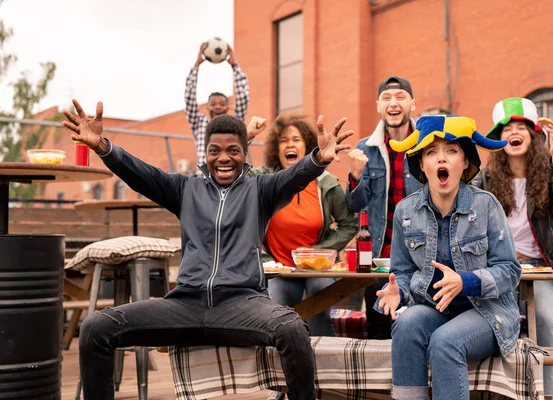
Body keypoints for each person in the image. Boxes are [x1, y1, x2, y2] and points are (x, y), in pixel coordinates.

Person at [61, 99, 353, 400]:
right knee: (96, 327)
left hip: (242, 305)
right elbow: (141, 174)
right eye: (215, 151)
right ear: (206, 153)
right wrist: (103, 147)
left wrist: (318, 158)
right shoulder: (185, 189)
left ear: (244, 153)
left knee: (292, 329)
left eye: (232, 151)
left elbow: (294, 176)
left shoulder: (261, 190)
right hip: (185, 304)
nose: (223, 158)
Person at [376, 115, 521, 400]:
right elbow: (402, 272)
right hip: (433, 309)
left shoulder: (486, 205)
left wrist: (466, 282)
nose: (441, 159)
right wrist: (399, 292)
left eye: (451, 151)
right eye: (432, 152)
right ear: (421, 164)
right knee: (404, 326)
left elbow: (509, 271)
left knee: (445, 342)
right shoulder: (406, 211)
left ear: (465, 163)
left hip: (487, 313)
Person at [474, 97, 553, 399]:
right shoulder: (485, 179)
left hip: (541, 267)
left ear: (533, 137)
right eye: (507, 129)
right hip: (499, 268)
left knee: (546, 325)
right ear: (498, 140)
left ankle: (549, 395)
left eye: (522, 128)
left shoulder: (546, 171)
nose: (514, 133)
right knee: (495, 331)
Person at [248, 113, 358, 336]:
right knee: (278, 304)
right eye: (284, 140)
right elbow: (236, 174)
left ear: (307, 146)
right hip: (280, 268)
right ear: (275, 150)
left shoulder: (325, 182)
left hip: (317, 268)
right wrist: (247, 135)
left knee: (320, 292)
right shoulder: (263, 179)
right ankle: (283, 360)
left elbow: (349, 224)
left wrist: (319, 252)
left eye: (296, 140)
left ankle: (324, 359)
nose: (290, 144)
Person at [345, 76, 423, 339]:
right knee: (378, 330)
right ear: (378, 106)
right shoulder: (365, 148)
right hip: (379, 258)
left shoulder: (427, 145)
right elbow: (356, 205)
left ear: (412, 103)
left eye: (400, 97)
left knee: (418, 327)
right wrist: (355, 176)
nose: (393, 103)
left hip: (420, 258)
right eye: (386, 98)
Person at [185, 42, 250, 170]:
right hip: (204, 178)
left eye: (222, 104)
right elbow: (189, 98)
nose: (218, 107)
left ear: (228, 107)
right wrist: (196, 66)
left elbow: (243, 97)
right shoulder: (199, 123)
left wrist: (234, 65)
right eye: (213, 104)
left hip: (230, 175)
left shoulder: (235, 123)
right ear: (207, 107)